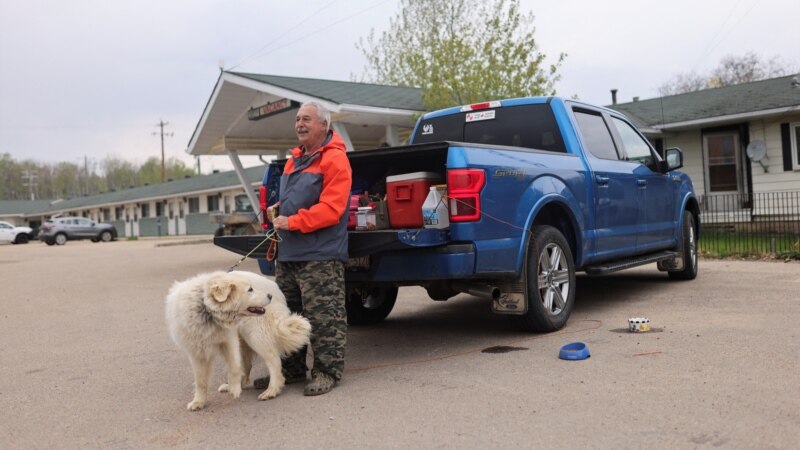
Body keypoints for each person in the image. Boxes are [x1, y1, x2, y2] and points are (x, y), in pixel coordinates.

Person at [259, 101, 352, 396]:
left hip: (320, 255)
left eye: (307, 119)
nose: (300, 124)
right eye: (298, 119)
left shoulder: (335, 159)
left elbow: (332, 209)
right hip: (289, 253)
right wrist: (279, 208)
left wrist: (294, 221)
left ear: (323, 125)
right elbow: (294, 198)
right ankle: (290, 370)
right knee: (286, 317)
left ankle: (327, 372)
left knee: (324, 318)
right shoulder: (294, 159)